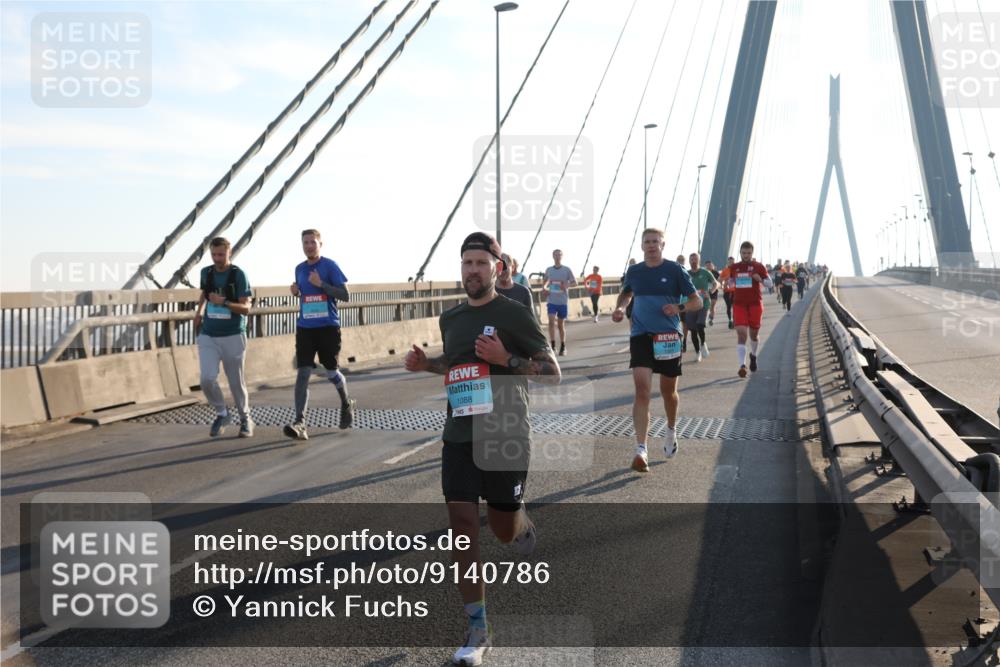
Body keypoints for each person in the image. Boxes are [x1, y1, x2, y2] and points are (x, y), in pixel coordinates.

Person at [404, 232, 560, 666]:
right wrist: (426, 364)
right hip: (459, 434)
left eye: (480, 263)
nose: (472, 270)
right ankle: (478, 627)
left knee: (503, 531)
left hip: (506, 436)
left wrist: (505, 358)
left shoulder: (514, 314)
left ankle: (520, 522)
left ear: (497, 268)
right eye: (467, 263)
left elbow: (552, 373)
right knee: (462, 526)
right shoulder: (451, 318)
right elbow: (455, 364)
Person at [613, 228, 699, 472]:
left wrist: (678, 307)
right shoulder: (634, 271)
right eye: (647, 242)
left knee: (668, 392)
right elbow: (626, 294)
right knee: (642, 391)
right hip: (641, 335)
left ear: (663, 245)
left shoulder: (675, 270)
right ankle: (641, 449)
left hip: (668, 337)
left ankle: (671, 429)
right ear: (642, 246)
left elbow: (697, 301)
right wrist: (621, 308)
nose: (651, 245)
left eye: (655, 242)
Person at [283, 229, 355, 440]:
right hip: (305, 328)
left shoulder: (330, 266)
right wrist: (296, 292)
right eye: (305, 243)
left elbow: (345, 295)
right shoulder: (299, 269)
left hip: (328, 327)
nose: (309, 246)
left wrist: (321, 284)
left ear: (320, 244)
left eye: (312, 242)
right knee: (303, 372)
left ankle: (346, 403)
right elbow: (305, 294)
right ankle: (300, 422)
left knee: (331, 372)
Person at [193, 237, 254, 438]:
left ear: (230, 252)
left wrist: (224, 302)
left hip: (233, 335)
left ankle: (245, 418)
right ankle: (222, 413)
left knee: (236, 382)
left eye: (221, 254)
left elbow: (246, 308)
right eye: (214, 254)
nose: (217, 258)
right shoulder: (206, 273)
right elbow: (205, 293)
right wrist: (198, 313)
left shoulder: (238, 275)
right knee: (206, 379)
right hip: (208, 334)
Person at [730, 241, 772, 378]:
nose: (746, 255)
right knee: (742, 334)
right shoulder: (734, 267)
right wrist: (729, 283)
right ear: (740, 253)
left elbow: (770, 284)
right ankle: (742, 366)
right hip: (739, 305)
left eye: (748, 253)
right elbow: (730, 282)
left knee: (754, 335)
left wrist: (760, 279)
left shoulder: (758, 266)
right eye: (744, 253)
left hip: (755, 304)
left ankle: (753, 355)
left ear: (752, 253)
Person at [542, 249, 577, 356]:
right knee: (551, 322)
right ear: (553, 256)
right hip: (551, 300)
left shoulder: (567, 270)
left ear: (562, 256)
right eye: (555, 255)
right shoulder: (549, 270)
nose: (557, 257)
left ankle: (563, 345)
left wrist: (566, 285)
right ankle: (553, 346)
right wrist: (544, 288)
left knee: (561, 325)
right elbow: (545, 282)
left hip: (562, 301)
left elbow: (575, 283)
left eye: (559, 255)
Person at [686, 253, 719, 362]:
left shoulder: (705, 272)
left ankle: (703, 344)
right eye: (691, 259)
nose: (693, 261)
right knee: (693, 331)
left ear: (699, 260)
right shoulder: (686, 273)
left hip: (703, 304)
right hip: (691, 304)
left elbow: (716, 283)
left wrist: (710, 291)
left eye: (695, 259)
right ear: (689, 261)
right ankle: (697, 352)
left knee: (700, 325)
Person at [719, 256, 737, 329]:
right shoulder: (725, 270)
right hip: (727, 291)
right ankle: (730, 320)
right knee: (729, 306)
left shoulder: (737, 270)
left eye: (732, 262)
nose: (731, 263)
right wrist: (726, 278)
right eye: (730, 262)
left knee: (735, 307)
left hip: (736, 291)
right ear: (728, 262)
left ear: (734, 262)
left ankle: (734, 321)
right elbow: (720, 280)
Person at [705, 260, 721, 326]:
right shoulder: (704, 272)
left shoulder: (716, 273)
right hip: (706, 291)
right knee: (707, 305)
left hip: (714, 290)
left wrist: (719, 284)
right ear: (705, 266)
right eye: (707, 265)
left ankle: (711, 319)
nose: (709, 266)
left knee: (712, 305)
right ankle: (707, 317)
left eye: (710, 265)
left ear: (712, 266)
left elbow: (719, 280)